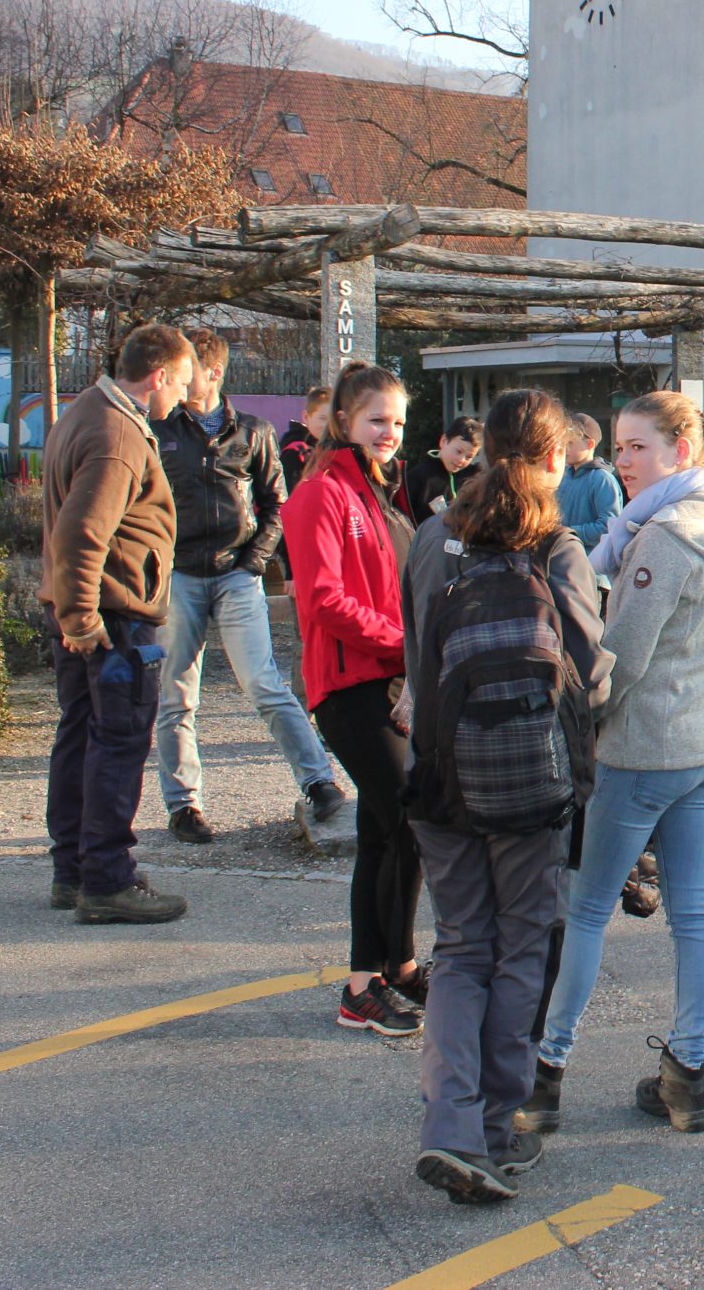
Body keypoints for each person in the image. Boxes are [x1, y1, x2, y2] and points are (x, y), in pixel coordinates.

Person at [401, 390, 613, 1205]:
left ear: (483, 447)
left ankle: (448, 1127)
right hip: (530, 781)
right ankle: (496, 1128)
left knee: (460, 946)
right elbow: (591, 674)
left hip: (443, 774)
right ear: (557, 456)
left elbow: (418, 654)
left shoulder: (431, 537)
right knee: (523, 946)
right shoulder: (557, 547)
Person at [531, 391, 704, 1139]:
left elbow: (616, 662)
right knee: (693, 911)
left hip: (646, 744)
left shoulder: (662, 537)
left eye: (637, 447)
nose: (622, 461)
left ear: (680, 452)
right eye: (619, 446)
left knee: (589, 908)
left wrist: (577, 720)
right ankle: (687, 1073)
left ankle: (544, 1070)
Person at [152, 330, 345, 845]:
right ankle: (184, 805)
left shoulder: (253, 432)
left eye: (187, 368)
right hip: (181, 575)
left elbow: (277, 504)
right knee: (176, 695)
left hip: (236, 573)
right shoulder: (159, 429)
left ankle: (318, 781)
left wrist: (256, 560)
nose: (177, 377)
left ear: (212, 372)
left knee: (264, 684)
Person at [39, 323, 197, 925]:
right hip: (111, 618)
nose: (181, 397)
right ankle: (106, 880)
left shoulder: (87, 410)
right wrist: (80, 619)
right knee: (118, 741)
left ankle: (74, 872)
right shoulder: (117, 435)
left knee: (81, 737)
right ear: (158, 376)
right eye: (180, 384)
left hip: (90, 612)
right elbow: (82, 535)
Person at [286, 364, 427, 1036]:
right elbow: (321, 599)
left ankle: (391, 969)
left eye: (399, 423)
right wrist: (404, 646)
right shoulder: (322, 494)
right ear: (343, 420)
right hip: (350, 685)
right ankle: (364, 981)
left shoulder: (379, 495)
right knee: (403, 814)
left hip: (389, 679)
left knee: (391, 826)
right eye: (378, 420)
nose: (390, 434)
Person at [556, 410, 625, 550]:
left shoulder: (602, 479)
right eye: (563, 442)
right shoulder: (562, 476)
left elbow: (608, 527)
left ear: (590, 444)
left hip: (590, 566)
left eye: (570, 443)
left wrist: (565, 533)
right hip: (559, 559)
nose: (564, 448)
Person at [406, 415, 484, 526]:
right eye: (458, 451)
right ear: (443, 441)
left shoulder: (474, 477)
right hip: (427, 539)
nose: (461, 460)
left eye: (469, 457)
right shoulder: (420, 476)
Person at [279, 386, 331, 496]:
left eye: (333, 419)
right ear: (306, 417)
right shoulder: (295, 454)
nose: (328, 425)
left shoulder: (330, 449)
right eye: (323, 418)